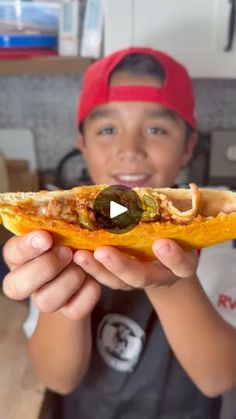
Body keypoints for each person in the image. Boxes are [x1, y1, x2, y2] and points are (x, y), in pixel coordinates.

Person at [2, 47, 236, 419]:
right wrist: (66, 284)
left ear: (188, 146)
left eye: (156, 129)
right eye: (108, 129)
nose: (129, 150)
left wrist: (171, 281)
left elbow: (219, 378)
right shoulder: (53, 240)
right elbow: (57, 379)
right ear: (82, 143)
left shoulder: (216, 243)